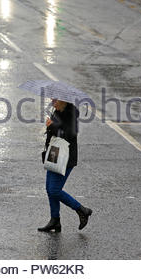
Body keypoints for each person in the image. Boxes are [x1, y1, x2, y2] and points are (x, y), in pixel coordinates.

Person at [38, 99, 92, 232]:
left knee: (55, 190)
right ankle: (55, 220)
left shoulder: (71, 114)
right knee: (49, 189)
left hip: (66, 156)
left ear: (63, 101)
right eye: (52, 99)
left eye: (55, 99)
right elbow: (54, 133)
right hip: (54, 153)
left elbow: (69, 134)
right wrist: (50, 126)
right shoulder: (56, 111)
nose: (52, 101)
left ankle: (81, 210)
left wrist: (52, 126)